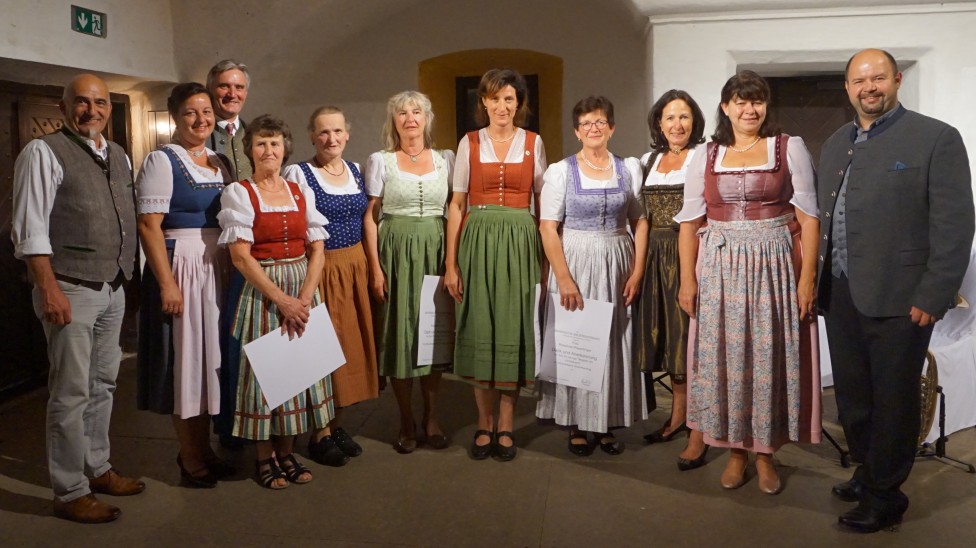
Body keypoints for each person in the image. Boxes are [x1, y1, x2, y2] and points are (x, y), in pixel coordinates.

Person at [818, 48, 974, 533]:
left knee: (892, 400)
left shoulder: (936, 138)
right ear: (848, 88)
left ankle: (886, 496)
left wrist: (935, 293)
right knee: (854, 397)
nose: (869, 87)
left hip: (902, 298)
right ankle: (868, 472)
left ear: (897, 80)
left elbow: (955, 224)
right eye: (859, 80)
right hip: (841, 292)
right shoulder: (835, 142)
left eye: (878, 78)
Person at [676, 70, 821, 495]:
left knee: (767, 356)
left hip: (773, 264)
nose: (749, 109)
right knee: (726, 357)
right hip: (719, 267)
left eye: (756, 101)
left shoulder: (788, 147)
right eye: (740, 101)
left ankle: (765, 454)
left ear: (765, 105)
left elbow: (810, 218)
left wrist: (807, 278)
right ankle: (735, 452)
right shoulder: (705, 155)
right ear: (725, 107)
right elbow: (689, 223)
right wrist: (687, 280)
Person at [11, 74, 145, 523]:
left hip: (112, 285)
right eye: (82, 102)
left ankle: (98, 467)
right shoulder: (43, 152)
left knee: (103, 383)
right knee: (70, 392)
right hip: (69, 285)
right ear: (64, 107)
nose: (92, 110)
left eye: (100, 102)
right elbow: (30, 228)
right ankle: (69, 491)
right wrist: (47, 287)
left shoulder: (119, 154)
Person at [217, 114, 334, 489]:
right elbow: (240, 257)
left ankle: (287, 452)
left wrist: (305, 298)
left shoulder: (300, 191)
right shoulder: (239, 193)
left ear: (285, 149)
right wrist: (282, 300)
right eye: (261, 143)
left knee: (297, 373)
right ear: (250, 150)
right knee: (264, 376)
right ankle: (264, 457)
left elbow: (318, 249)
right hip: (263, 291)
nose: (268, 150)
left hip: (302, 288)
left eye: (275, 143)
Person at [444, 68, 547, 461]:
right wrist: (451, 264)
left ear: (518, 103)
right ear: (483, 102)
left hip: (520, 240)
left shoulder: (533, 143)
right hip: (479, 240)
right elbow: (457, 205)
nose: (502, 106)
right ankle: (483, 422)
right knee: (480, 325)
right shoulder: (469, 142)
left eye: (509, 99)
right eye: (495, 98)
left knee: (513, 326)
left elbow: (544, 206)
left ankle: (506, 423)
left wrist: (545, 261)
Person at [536, 96, 648, 456]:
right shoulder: (561, 171)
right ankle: (577, 421)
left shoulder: (628, 168)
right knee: (579, 337)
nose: (593, 128)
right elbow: (548, 227)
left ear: (611, 128)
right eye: (586, 123)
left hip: (618, 259)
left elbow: (639, 220)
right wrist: (564, 279)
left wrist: (638, 269)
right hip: (576, 260)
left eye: (600, 122)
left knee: (614, 339)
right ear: (577, 131)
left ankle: (607, 421)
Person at [135, 82, 234, 488]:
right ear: (175, 117)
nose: (201, 119)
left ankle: (205, 448)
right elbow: (149, 226)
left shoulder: (220, 161)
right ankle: (189, 456)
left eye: (206, 111)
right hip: (183, 266)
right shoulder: (162, 160)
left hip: (217, 265)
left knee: (211, 361)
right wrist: (167, 284)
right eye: (191, 112)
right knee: (187, 362)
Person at [282, 106, 379, 466]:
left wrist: (373, 268)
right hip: (322, 267)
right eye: (323, 132)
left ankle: (336, 424)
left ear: (347, 134)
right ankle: (319, 433)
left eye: (337, 131)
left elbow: (368, 219)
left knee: (350, 348)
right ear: (311, 135)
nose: (331, 138)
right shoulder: (300, 173)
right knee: (325, 350)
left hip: (355, 265)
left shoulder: (355, 171)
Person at [364, 91, 455, 454]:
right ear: (394, 121)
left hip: (435, 249)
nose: (410, 118)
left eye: (417, 111)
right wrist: (376, 269)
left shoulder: (445, 159)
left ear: (427, 118)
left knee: (433, 333)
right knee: (400, 334)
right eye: (402, 113)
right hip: (396, 253)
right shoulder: (381, 160)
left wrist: (452, 262)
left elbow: (455, 210)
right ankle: (405, 419)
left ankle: (432, 417)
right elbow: (370, 218)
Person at [633, 90, 710, 470]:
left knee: (692, 342)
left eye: (684, 117)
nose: (677, 125)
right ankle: (678, 415)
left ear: (694, 121)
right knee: (671, 342)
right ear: (658, 124)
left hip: (690, 255)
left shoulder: (704, 157)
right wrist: (637, 268)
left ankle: (699, 427)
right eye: (670, 117)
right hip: (654, 257)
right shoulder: (648, 161)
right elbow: (642, 219)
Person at [207, 59, 252, 182]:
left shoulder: (254, 135)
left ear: (245, 93)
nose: (232, 94)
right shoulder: (197, 136)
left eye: (239, 87)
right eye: (224, 86)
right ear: (209, 91)